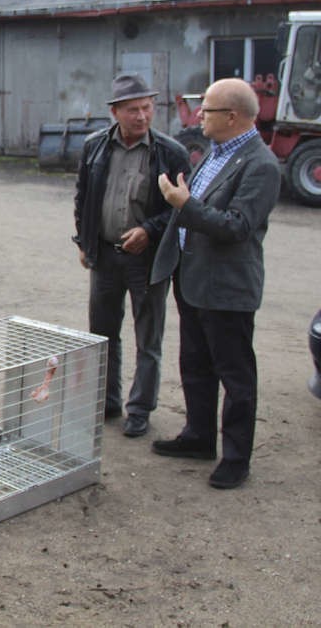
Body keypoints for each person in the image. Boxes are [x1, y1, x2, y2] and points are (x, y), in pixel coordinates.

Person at [150, 77, 281, 489]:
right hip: (194, 279)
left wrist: (183, 204)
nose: (199, 115)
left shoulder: (261, 165)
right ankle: (199, 436)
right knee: (195, 365)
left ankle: (236, 458)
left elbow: (237, 226)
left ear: (232, 116)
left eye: (206, 109)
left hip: (227, 289)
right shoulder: (215, 152)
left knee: (235, 376)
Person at [73, 73, 190, 437]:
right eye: (133, 110)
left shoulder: (171, 152)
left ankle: (139, 409)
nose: (142, 116)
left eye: (147, 108)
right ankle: (107, 402)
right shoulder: (94, 146)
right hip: (105, 257)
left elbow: (183, 207)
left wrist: (149, 230)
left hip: (148, 260)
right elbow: (83, 196)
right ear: (115, 112)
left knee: (148, 338)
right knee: (102, 335)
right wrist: (84, 241)